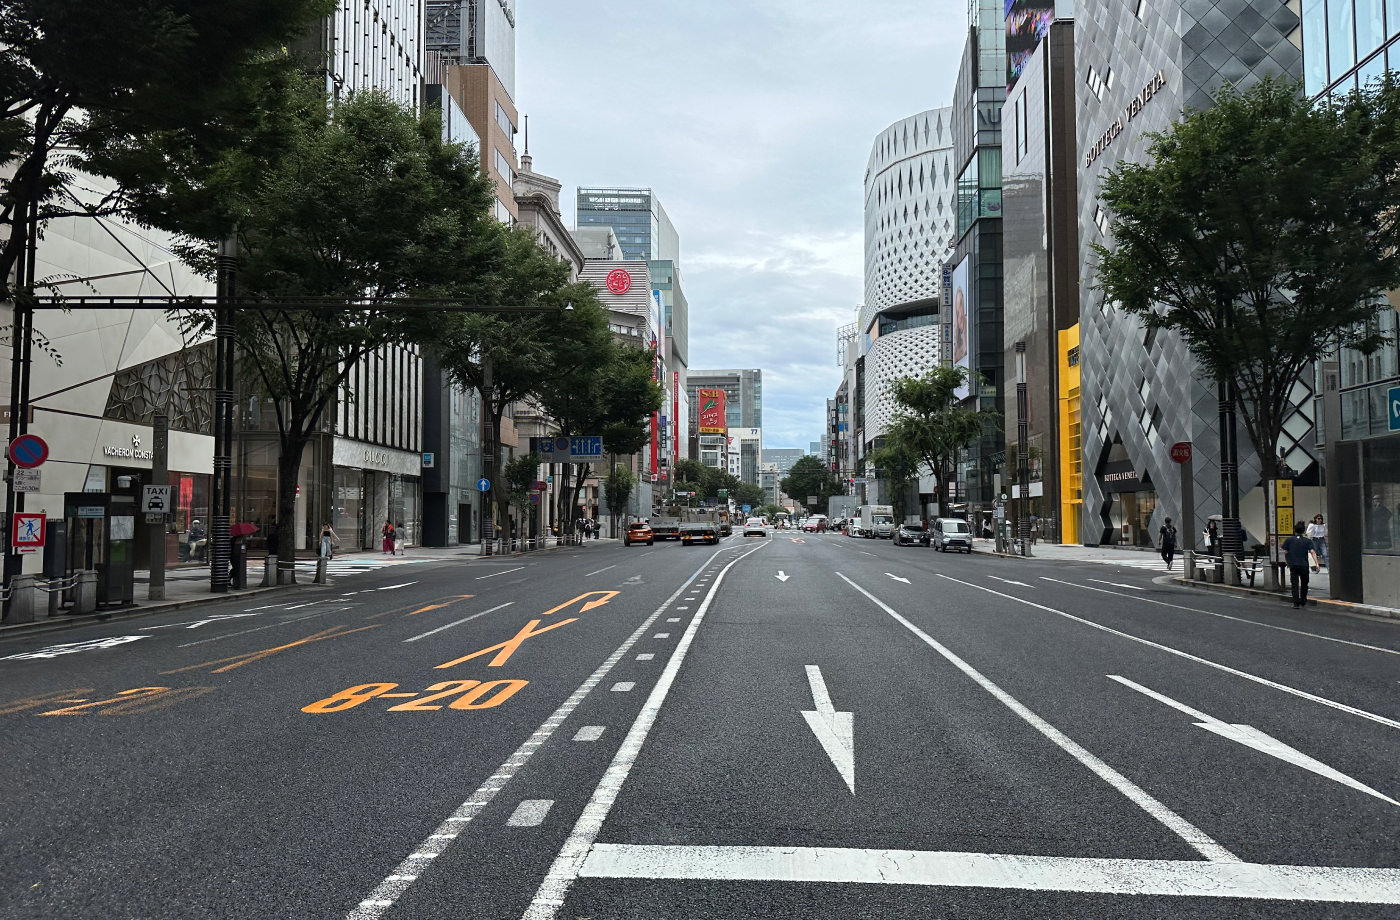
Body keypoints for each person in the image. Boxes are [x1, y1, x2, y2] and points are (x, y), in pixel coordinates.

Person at [1281, 520, 1319, 608]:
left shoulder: (1289, 540)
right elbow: (1312, 552)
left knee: (1294, 583)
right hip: (1304, 564)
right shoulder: (1307, 541)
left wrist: (1288, 562)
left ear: (1294, 530)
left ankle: (1295, 602)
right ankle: (1303, 600)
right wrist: (1316, 564)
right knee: (1304, 583)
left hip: (1293, 564)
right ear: (1303, 531)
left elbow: (1285, 552)